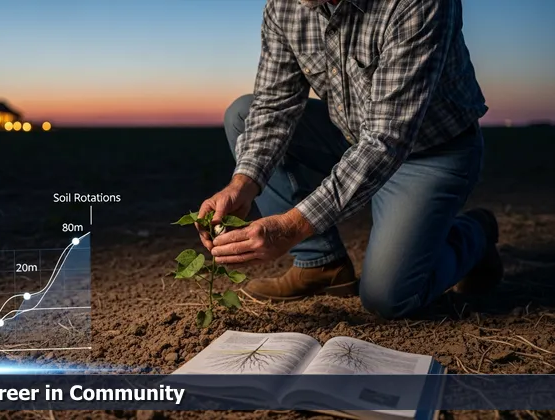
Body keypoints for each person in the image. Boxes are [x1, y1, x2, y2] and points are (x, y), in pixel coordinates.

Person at [197, 0, 503, 319]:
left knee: (388, 298)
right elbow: (274, 105)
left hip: (431, 151)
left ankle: (475, 233)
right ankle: (320, 263)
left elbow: (387, 139)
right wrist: (242, 183)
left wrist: (290, 227)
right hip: (352, 136)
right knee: (244, 114)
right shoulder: (285, 6)